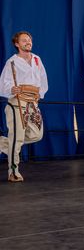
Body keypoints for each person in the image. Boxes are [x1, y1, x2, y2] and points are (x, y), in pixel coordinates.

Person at [0, 31, 48, 182]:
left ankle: (2, 143)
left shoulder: (37, 59)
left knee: (36, 134)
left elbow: (43, 79)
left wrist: (40, 95)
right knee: (17, 136)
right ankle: (13, 171)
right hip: (17, 101)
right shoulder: (12, 62)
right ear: (17, 44)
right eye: (24, 40)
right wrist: (10, 89)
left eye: (29, 40)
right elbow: (4, 83)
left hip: (32, 101)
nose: (28, 42)